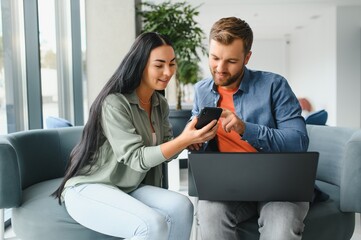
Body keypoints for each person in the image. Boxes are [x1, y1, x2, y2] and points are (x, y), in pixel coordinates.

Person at [52, 32, 218, 240]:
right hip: (92, 187)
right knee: (153, 225)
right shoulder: (114, 103)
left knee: (182, 206)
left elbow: (165, 150)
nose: (168, 72)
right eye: (159, 65)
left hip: (128, 187)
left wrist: (187, 142)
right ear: (140, 64)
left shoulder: (160, 103)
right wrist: (182, 140)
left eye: (172, 64)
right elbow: (137, 158)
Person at [190, 17, 310, 240]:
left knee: (280, 226)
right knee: (209, 214)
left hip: (280, 185)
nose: (220, 68)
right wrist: (196, 140)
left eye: (231, 61)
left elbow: (298, 142)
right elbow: (199, 142)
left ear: (247, 57)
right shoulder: (201, 91)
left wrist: (245, 128)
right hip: (228, 187)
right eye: (214, 58)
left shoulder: (275, 85)